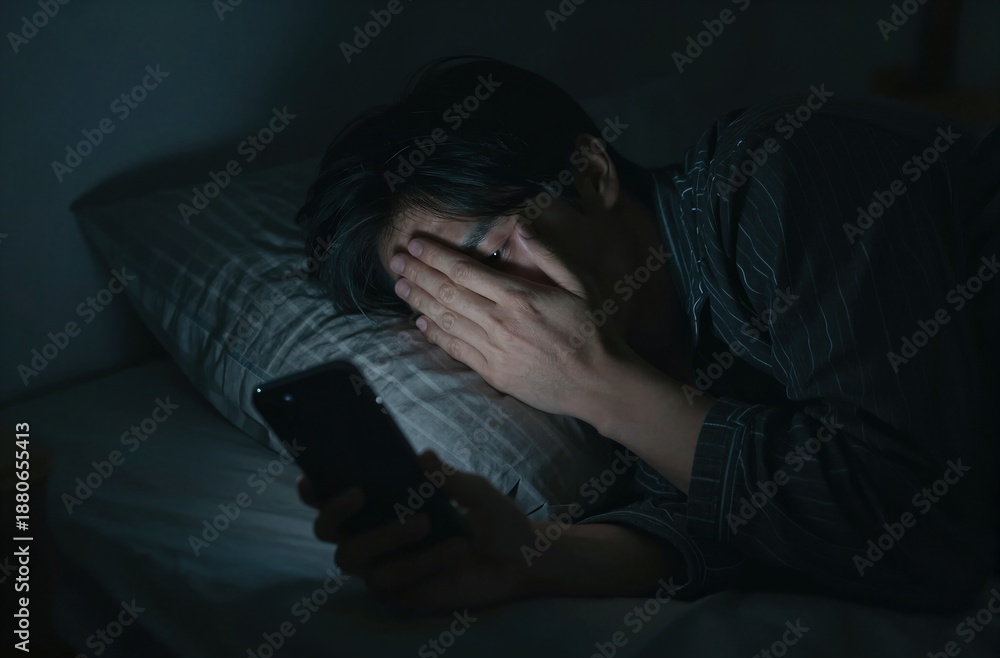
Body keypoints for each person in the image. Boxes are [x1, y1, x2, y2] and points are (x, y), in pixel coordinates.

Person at [295, 56, 999, 614]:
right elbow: (746, 521)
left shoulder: (779, 167)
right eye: (454, 304)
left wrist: (596, 381)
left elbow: (928, 538)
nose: (502, 312)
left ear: (589, 175)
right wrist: (530, 558)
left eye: (493, 258)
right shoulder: (637, 370)